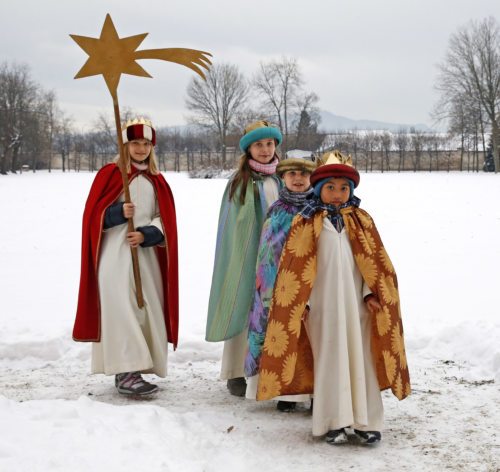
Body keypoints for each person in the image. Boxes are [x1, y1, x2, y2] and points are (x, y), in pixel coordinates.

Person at [256, 150, 411, 444]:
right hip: (321, 308)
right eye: (330, 188)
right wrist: (302, 302)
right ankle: (332, 422)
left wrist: (370, 294)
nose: (337, 194)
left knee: (360, 359)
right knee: (329, 358)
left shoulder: (361, 222)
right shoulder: (306, 223)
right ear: (319, 189)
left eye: (343, 188)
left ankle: (367, 422)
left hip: (357, 308)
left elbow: (373, 263)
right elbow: (296, 266)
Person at [73, 118, 178, 396]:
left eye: (146, 144)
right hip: (115, 254)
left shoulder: (157, 180)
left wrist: (147, 234)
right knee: (122, 307)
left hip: (145, 256)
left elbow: (164, 218)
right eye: (135, 143)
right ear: (125, 145)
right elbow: (92, 217)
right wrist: (118, 213)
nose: (141, 148)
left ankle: (140, 365)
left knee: (146, 308)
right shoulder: (111, 174)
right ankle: (125, 372)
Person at [206, 120, 283, 397]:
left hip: (277, 259)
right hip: (248, 258)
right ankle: (236, 371)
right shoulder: (239, 183)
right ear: (248, 149)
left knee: (274, 313)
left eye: (269, 144)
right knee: (244, 309)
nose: (265, 150)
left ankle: (270, 370)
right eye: (259, 145)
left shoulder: (281, 179)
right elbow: (234, 227)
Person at [244, 155, 316, 411]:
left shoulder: (318, 209)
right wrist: (268, 284)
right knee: (282, 334)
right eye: (292, 174)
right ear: (283, 177)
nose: (298, 179)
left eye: (304, 174)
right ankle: (285, 390)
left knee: (309, 336)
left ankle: (311, 391)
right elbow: (268, 250)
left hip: (311, 282)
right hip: (278, 282)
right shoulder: (278, 209)